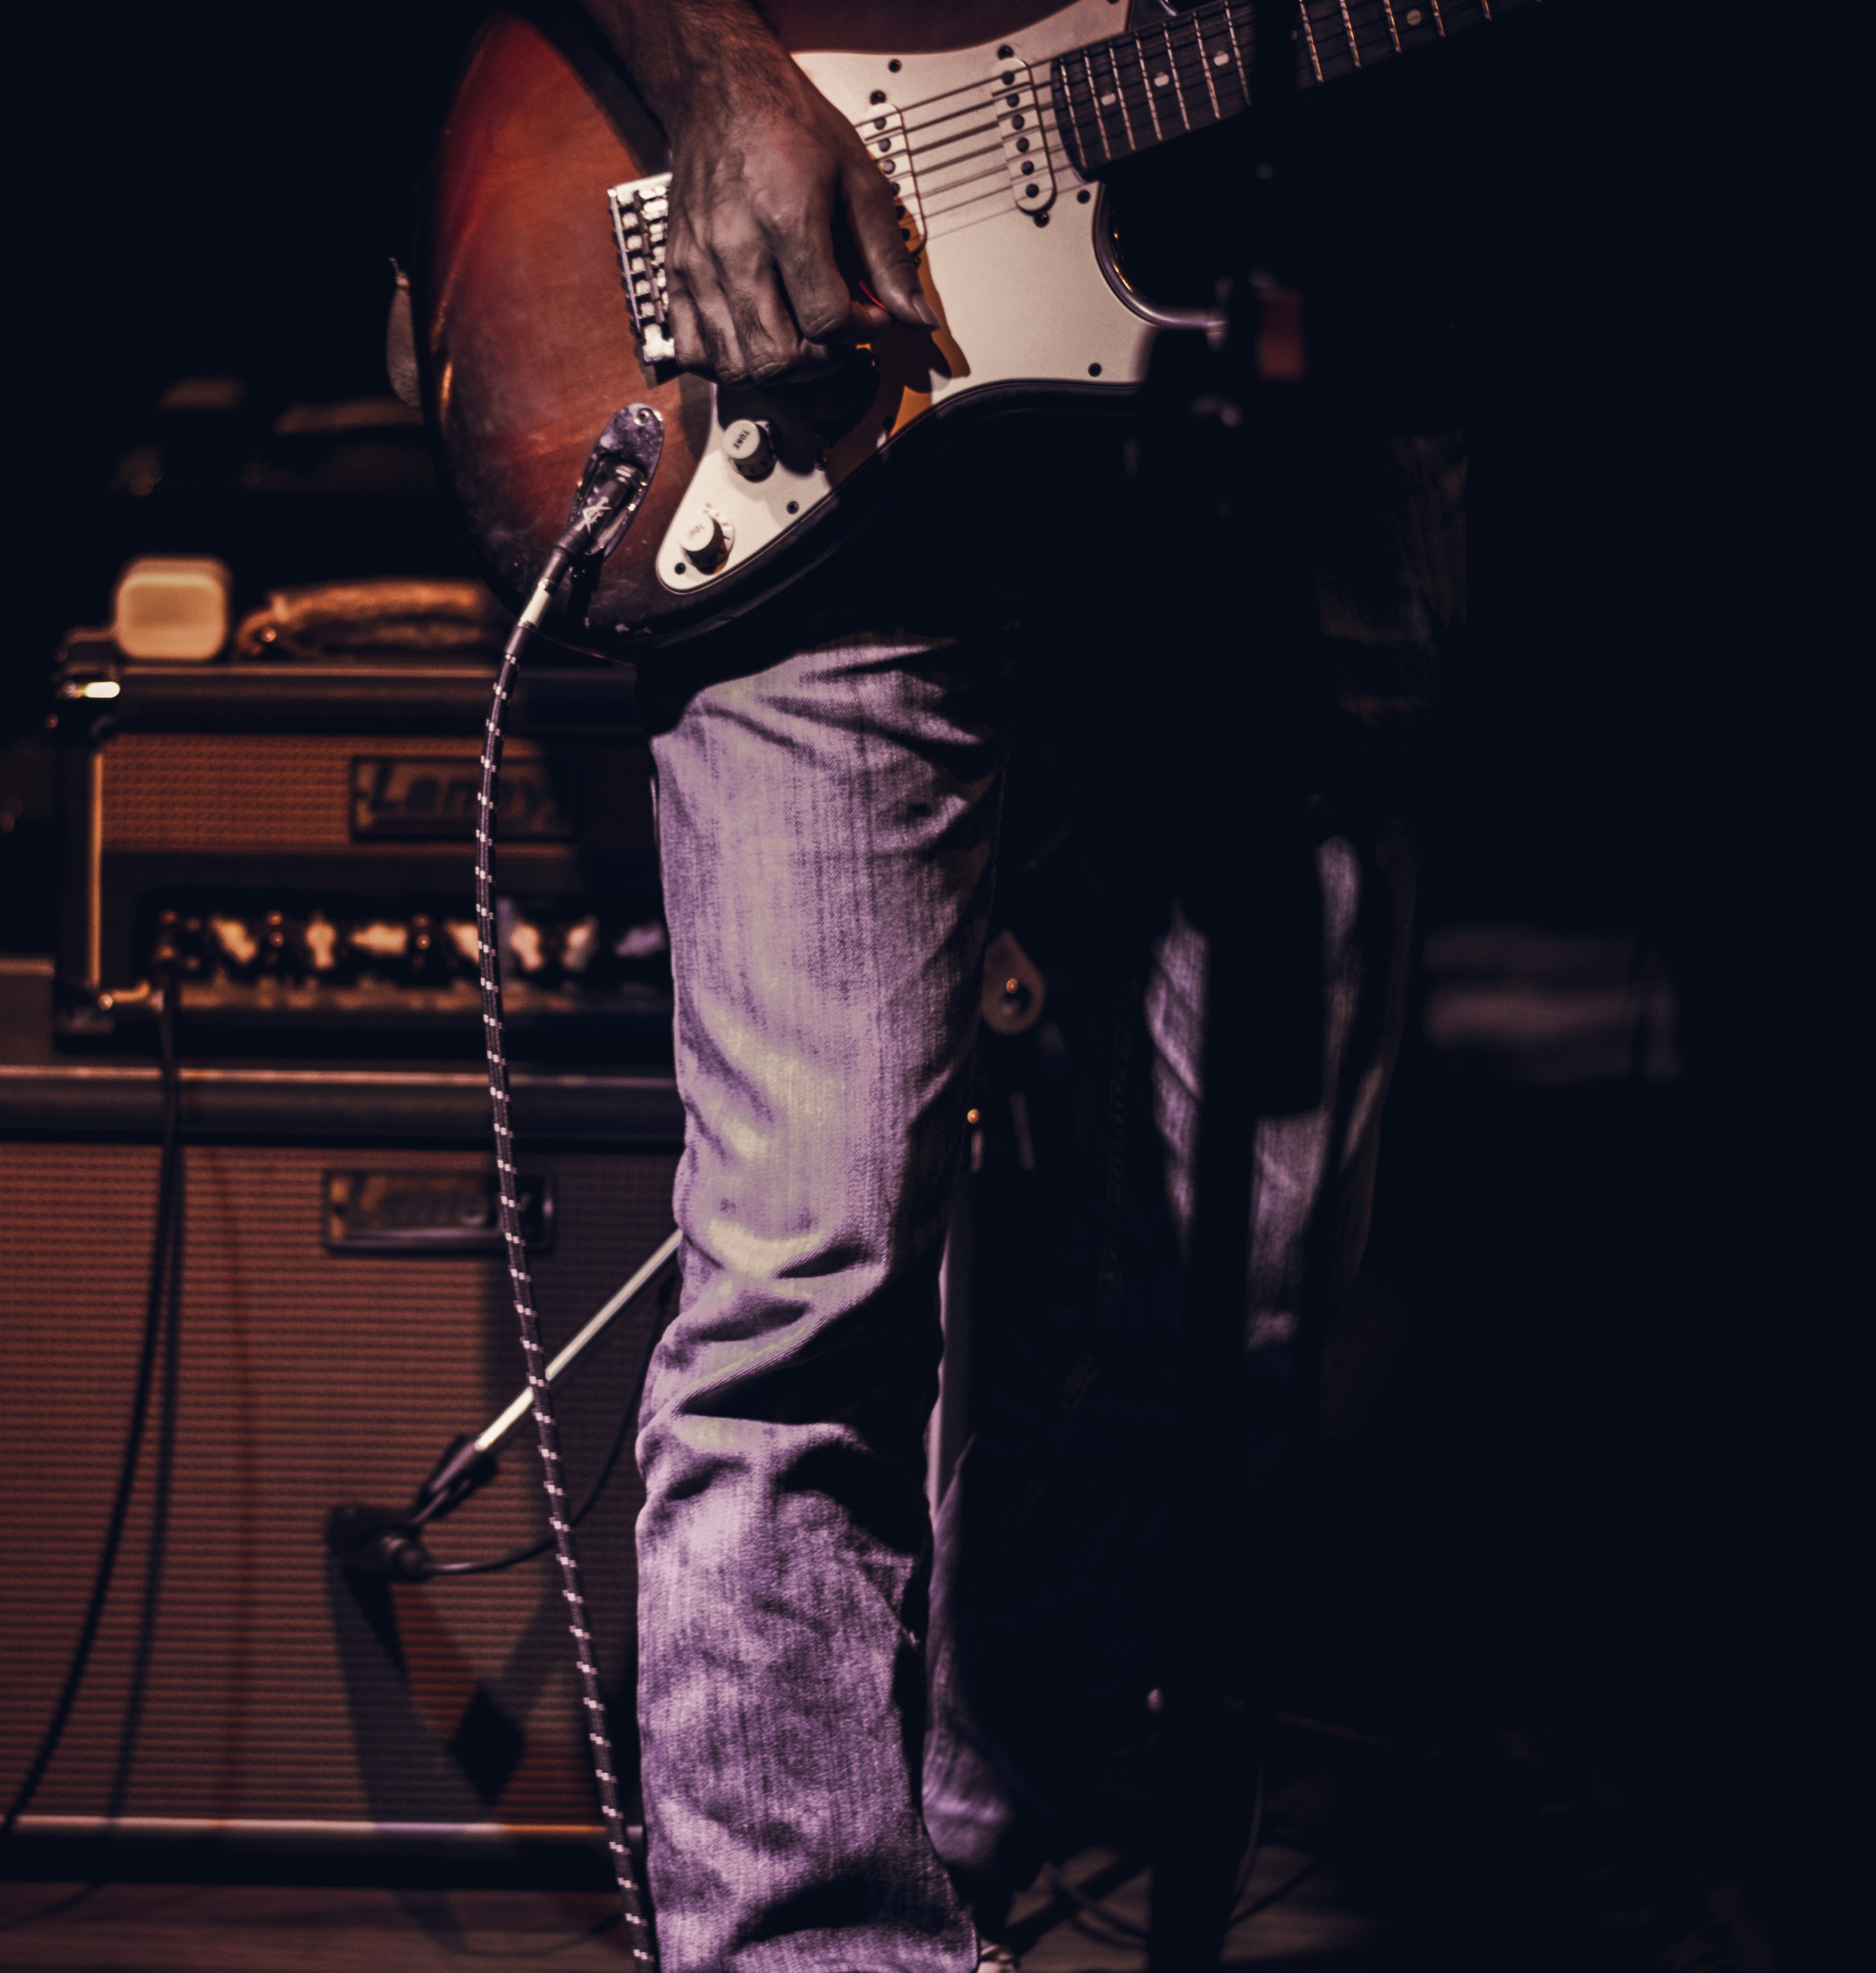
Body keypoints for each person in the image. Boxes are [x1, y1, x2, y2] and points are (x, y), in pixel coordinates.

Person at [561, 3, 1446, 1966]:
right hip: (832, 374)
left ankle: (970, 1815)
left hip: (1293, 396)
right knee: (805, 1269)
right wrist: (715, 83)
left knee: (1250, 1264)